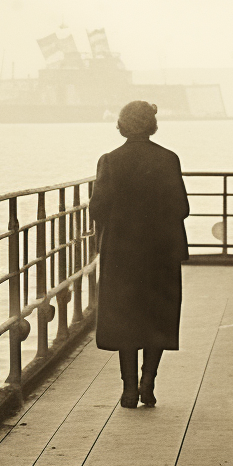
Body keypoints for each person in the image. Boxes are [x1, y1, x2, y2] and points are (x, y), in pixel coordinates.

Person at [88, 100, 189, 407]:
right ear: (152, 124)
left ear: (121, 125)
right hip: (160, 252)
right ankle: (149, 383)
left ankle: (129, 388)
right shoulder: (168, 159)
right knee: (156, 317)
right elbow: (182, 208)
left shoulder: (109, 161)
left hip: (121, 254)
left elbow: (96, 209)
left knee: (126, 319)